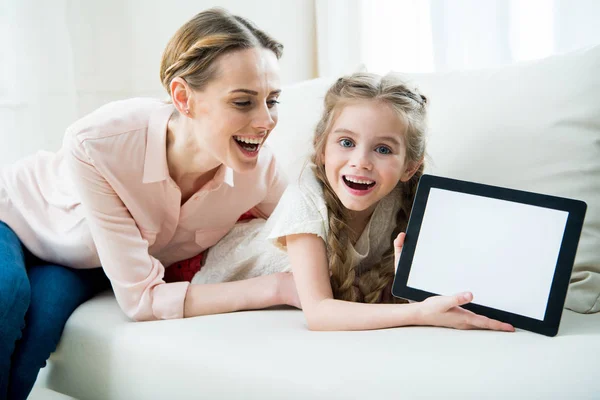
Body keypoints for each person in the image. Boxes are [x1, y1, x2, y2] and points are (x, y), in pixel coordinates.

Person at [0, 8, 298, 399]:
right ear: (183, 97)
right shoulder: (99, 142)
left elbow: (318, 235)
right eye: (243, 102)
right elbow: (142, 300)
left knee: (39, 332)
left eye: (272, 100)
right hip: (17, 219)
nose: (266, 121)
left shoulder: (261, 174)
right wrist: (277, 288)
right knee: (7, 300)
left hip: (82, 259)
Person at [197, 72, 515, 332]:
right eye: (346, 143)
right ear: (321, 149)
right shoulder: (305, 197)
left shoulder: (404, 199)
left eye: (383, 149)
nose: (361, 162)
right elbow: (319, 313)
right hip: (201, 270)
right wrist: (418, 314)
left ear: (410, 166)